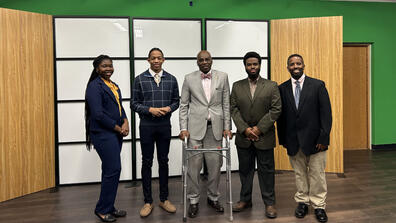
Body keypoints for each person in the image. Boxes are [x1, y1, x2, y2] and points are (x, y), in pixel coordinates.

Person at [277, 54, 332, 223]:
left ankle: (319, 205)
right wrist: (283, 139)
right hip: (293, 141)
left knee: (317, 175)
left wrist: (324, 138)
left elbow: (326, 114)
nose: (295, 66)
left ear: (303, 65)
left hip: (316, 141)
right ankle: (302, 202)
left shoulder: (317, 85)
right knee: (300, 175)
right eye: (292, 64)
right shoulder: (282, 88)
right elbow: (281, 117)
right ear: (287, 67)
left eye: (298, 63)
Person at [179, 50, 232, 218]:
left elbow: (226, 104)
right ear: (197, 62)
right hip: (194, 129)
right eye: (201, 60)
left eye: (207, 59)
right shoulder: (189, 78)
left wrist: (227, 127)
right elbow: (184, 105)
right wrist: (183, 128)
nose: (204, 62)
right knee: (194, 167)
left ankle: (213, 197)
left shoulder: (222, 77)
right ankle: (193, 200)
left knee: (215, 166)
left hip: (215, 129)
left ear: (212, 60)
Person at [230, 52, 281, 219]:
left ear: (260, 65)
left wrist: (259, 128)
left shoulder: (271, 85)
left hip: (264, 136)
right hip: (243, 137)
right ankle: (245, 200)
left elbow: (276, 109)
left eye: (255, 64)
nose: (252, 67)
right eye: (249, 64)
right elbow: (233, 109)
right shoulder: (237, 86)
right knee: (245, 171)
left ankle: (269, 203)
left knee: (267, 171)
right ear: (245, 66)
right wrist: (245, 129)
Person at [132, 48, 179, 217]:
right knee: (146, 162)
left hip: (164, 126)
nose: (156, 61)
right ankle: (147, 201)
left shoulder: (172, 79)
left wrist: (168, 108)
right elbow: (134, 104)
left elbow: (176, 102)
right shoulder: (139, 79)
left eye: (159, 58)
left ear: (164, 60)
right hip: (146, 126)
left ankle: (164, 199)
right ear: (148, 60)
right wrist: (149, 109)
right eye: (153, 58)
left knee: (164, 161)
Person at [85, 55, 129, 222]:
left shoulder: (113, 85)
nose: (108, 68)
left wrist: (126, 121)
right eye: (104, 66)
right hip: (103, 134)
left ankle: (109, 206)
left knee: (110, 171)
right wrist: (118, 128)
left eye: (110, 65)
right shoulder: (94, 86)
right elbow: (97, 114)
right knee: (113, 170)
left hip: (115, 133)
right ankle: (102, 209)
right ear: (97, 69)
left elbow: (120, 106)